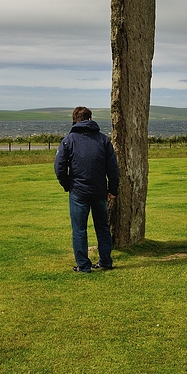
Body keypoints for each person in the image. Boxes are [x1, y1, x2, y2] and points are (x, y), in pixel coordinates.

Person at [54, 106, 119, 273]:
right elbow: (113, 168)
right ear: (90, 119)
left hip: (78, 191)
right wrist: (113, 189)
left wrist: (67, 184)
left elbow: (59, 167)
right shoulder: (103, 140)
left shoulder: (69, 140)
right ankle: (105, 261)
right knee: (102, 227)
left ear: (74, 119)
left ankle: (83, 265)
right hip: (99, 191)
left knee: (79, 229)